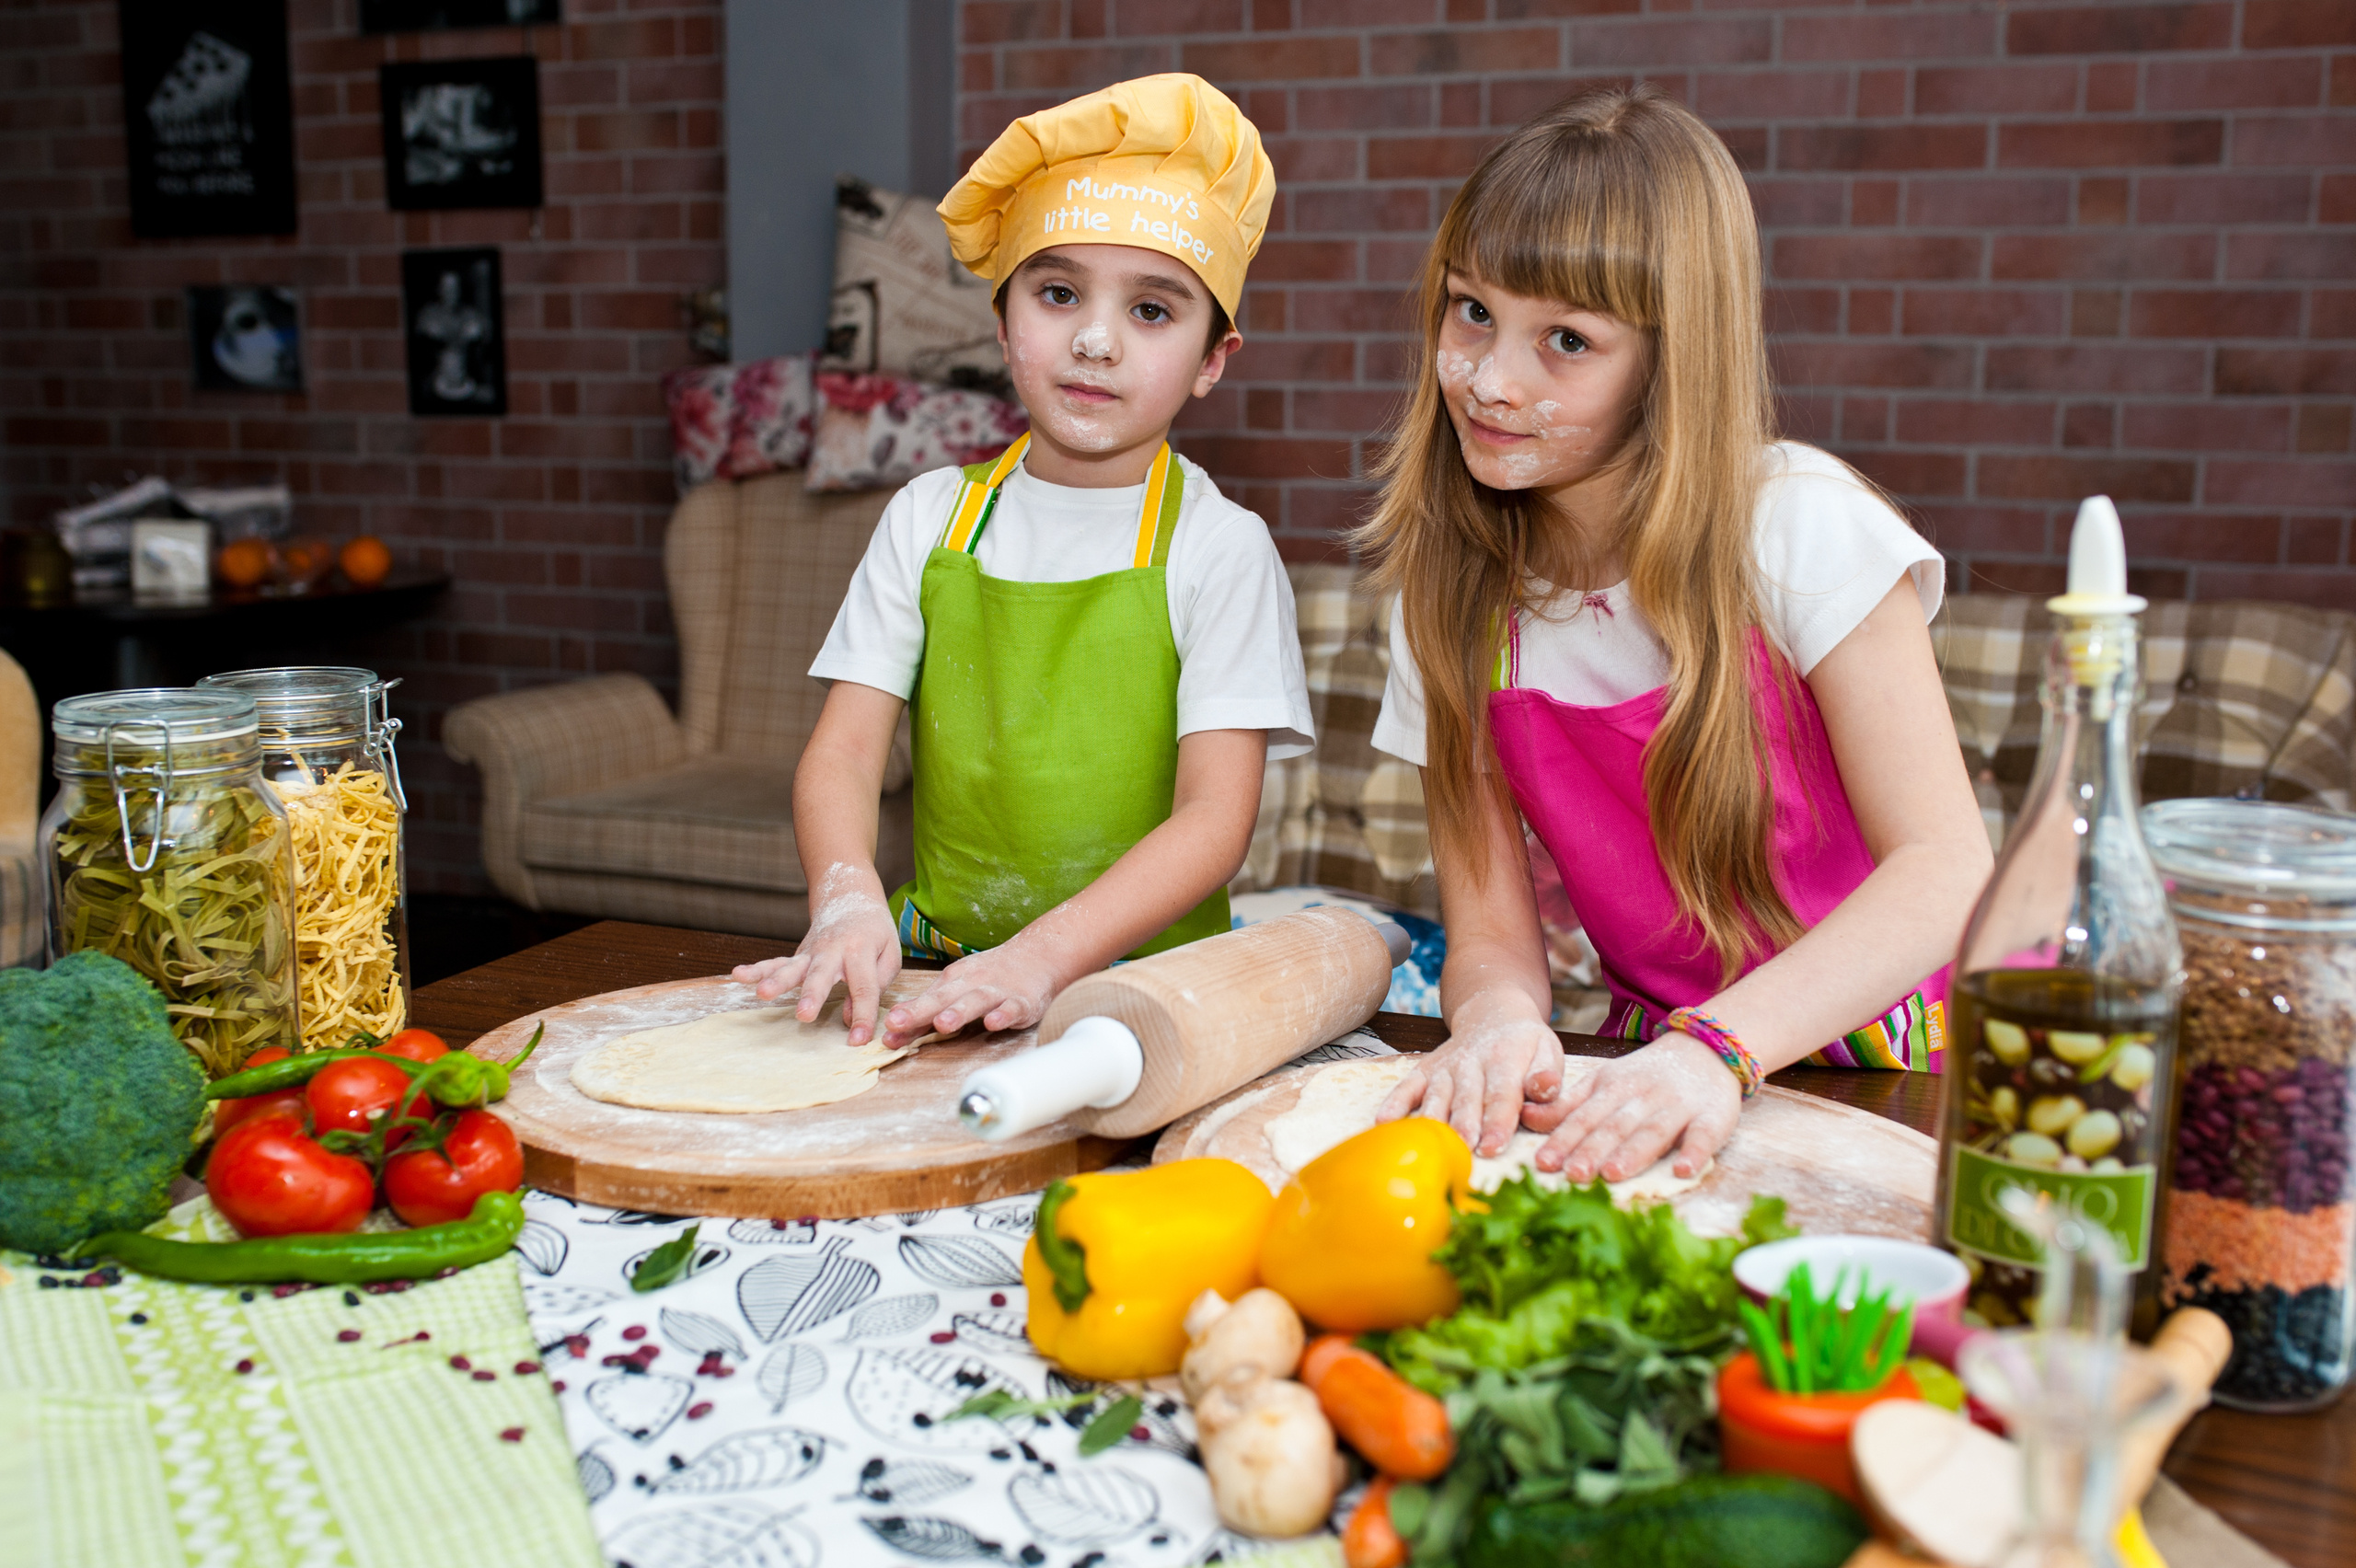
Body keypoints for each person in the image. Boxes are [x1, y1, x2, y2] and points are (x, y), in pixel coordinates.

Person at [1362, 86, 1992, 1185]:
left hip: (1913, 1067)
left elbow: (1944, 871)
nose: (1489, 379)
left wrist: (1716, 1049)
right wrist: (1497, 1024)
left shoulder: (1797, 522)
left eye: (1565, 339)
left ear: (1671, 359)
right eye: (1471, 312)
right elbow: (1494, 938)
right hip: (1657, 1065)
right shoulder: (1448, 600)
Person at [733, 75, 1311, 1053]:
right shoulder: (929, 519)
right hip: (936, 967)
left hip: (1147, 996)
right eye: (1057, 293)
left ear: (1214, 359)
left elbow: (1216, 819)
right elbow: (841, 753)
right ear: (1002, 324)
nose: (1093, 339)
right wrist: (847, 903)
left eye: (1153, 312)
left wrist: (1043, 958)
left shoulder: (1219, 547)